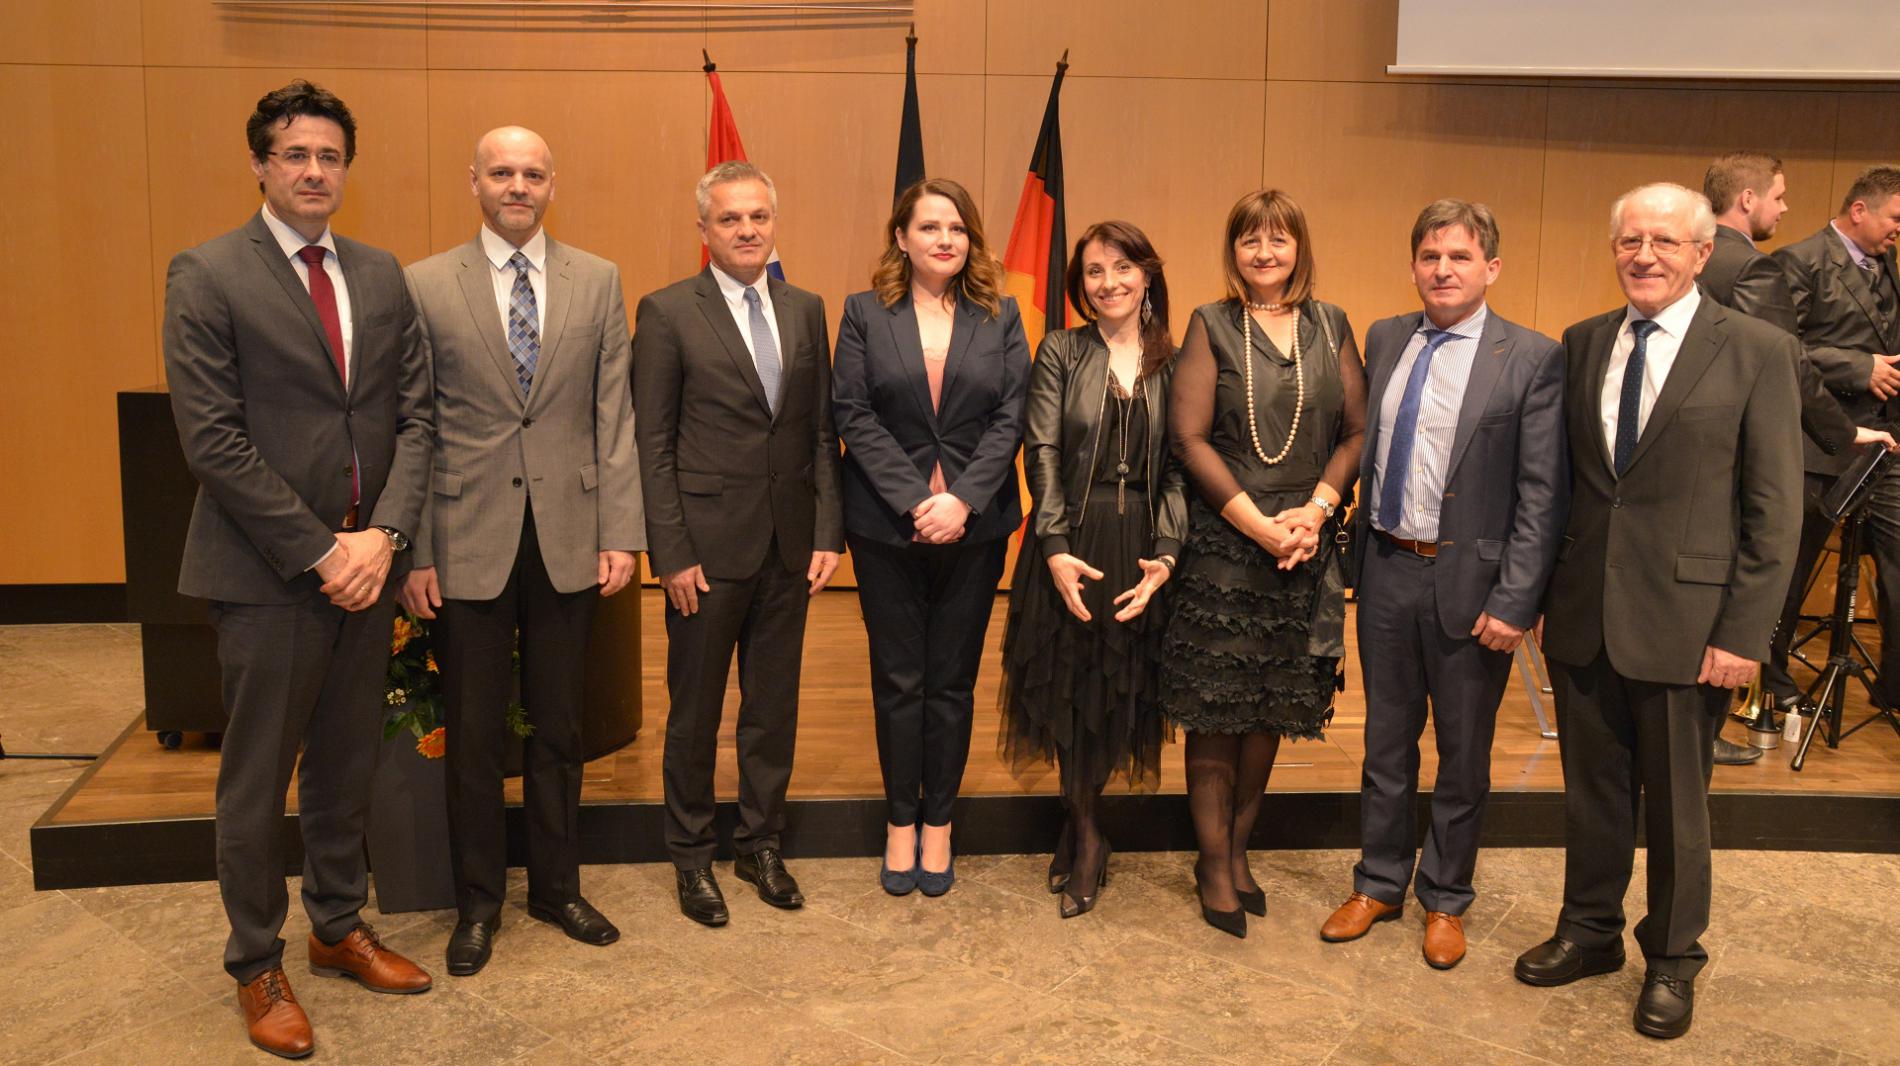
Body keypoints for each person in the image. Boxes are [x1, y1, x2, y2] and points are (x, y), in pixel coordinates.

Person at [162, 80, 435, 1058]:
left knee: (345, 765)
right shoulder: (207, 273)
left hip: (368, 565)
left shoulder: (380, 272)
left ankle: (335, 925)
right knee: (256, 782)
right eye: (295, 154)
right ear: (260, 165)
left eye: (329, 156)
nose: (315, 170)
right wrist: (324, 550)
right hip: (269, 574)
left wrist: (384, 536)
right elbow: (213, 441)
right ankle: (255, 962)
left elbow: (416, 416)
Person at [1516, 183, 1801, 1041]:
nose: (1644, 255)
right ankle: (1590, 930)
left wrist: (1744, 635)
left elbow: (1775, 510)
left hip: (1692, 625)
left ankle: (1674, 958)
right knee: (1592, 795)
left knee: (1678, 810)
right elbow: (1570, 488)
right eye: (1630, 240)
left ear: (1703, 253)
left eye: (1664, 242)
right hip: (1584, 615)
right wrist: (1544, 597)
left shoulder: (1755, 349)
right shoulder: (1583, 341)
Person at [398, 127, 642, 975]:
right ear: (473, 181)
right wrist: (415, 550)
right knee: (472, 734)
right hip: (464, 538)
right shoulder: (426, 284)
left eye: (532, 173)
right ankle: (478, 903)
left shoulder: (598, 279)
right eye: (501, 172)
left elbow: (615, 415)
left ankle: (556, 888)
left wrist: (622, 532)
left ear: (551, 184)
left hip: (570, 536)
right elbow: (415, 423)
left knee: (560, 727)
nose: (517, 186)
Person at [1320, 200, 1565, 969]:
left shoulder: (1530, 357)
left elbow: (1542, 494)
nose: (1443, 269)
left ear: (1491, 267)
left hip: (1474, 587)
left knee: (1462, 755)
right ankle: (1379, 882)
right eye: (1430, 256)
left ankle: (1447, 897)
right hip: (1387, 570)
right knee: (1385, 744)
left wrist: (1517, 599)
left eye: (1460, 256)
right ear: (1414, 266)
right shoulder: (1386, 337)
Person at [634, 161, 843, 926]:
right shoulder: (667, 313)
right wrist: (670, 552)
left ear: (773, 223)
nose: (747, 230)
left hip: (789, 546)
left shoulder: (805, 308)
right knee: (695, 714)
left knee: (771, 709)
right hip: (705, 554)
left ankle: (760, 843)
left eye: (758, 216)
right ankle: (691, 857)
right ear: (704, 230)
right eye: (730, 218)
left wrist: (827, 530)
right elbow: (652, 443)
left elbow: (819, 431)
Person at [1161, 188, 1367, 938]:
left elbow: (1357, 432)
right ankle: (1212, 863)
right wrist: (1258, 526)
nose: (1264, 252)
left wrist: (1315, 513)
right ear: (1234, 251)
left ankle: (1238, 850)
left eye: (1278, 238)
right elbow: (1188, 439)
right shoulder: (1210, 323)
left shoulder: (1331, 323)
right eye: (1250, 239)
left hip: (1304, 548)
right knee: (1218, 715)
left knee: (1271, 713)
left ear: (1298, 248)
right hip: (1226, 551)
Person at [832, 178, 1029, 897]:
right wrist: (919, 501)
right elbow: (852, 413)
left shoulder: (1001, 315)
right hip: (886, 528)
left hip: (976, 531)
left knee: (950, 682)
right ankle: (899, 821)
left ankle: (939, 823)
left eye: (957, 228)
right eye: (929, 227)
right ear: (901, 237)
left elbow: (1012, 416)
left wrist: (963, 501)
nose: (945, 239)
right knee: (897, 681)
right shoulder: (863, 313)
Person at [997, 220, 1187, 918]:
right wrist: (1051, 543)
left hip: (1140, 544)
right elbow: (1042, 449)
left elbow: (1179, 470)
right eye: (1094, 271)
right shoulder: (1062, 350)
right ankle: (1086, 836)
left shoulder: (1176, 361)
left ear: (1147, 274)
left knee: (1116, 694)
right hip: (1071, 538)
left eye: (1122, 267)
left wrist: (1167, 552)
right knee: (1069, 695)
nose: (1108, 283)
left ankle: (1080, 830)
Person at [1701, 152, 1890, 757]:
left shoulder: (1699, 257)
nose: (1785, 208)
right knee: (1753, 577)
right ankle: (1709, 726)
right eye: (1779, 197)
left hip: (1703, 451)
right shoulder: (1752, 267)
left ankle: (1701, 727)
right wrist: (1845, 432)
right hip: (1760, 448)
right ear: (1748, 199)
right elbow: (1789, 361)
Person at [1768, 164, 1900, 721]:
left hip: (1884, 445)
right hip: (1819, 441)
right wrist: (1858, 366)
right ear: (1859, 210)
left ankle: (1894, 687)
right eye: (1895, 217)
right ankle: (1770, 681)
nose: (1899, 229)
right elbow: (1780, 346)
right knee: (1790, 567)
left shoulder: (1888, 263)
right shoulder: (1799, 260)